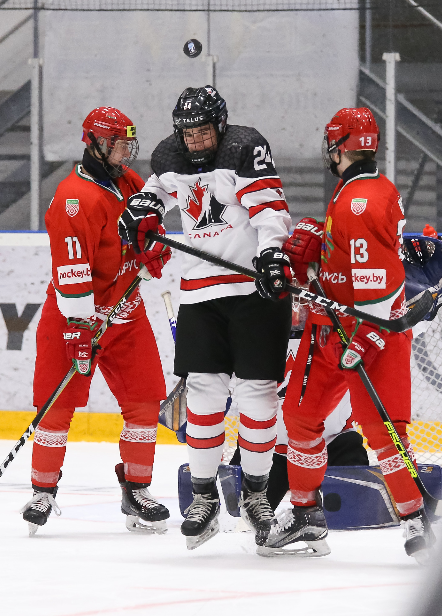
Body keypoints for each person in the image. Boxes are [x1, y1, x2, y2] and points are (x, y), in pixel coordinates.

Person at [118, 85, 292, 549]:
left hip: (253, 291)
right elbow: (153, 194)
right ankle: (204, 497)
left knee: (257, 395)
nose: (195, 140)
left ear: (220, 124)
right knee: (203, 393)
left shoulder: (243, 149)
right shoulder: (170, 156)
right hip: (199, 295)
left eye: (203, 131)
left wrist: (273, 254)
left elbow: (271, 209)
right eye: (188, 133)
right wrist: (142, 211)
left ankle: (256, 494)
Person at [261, 107, 436, 563]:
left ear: (340, 147)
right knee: (301, 415)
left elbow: (378, 283)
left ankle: (415, 515)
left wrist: (365, 341)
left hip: (367, 333)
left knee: (381, 431)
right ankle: (305, 513)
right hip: (335, 327)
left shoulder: (359, 201)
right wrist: (322, 247)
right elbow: (358, 263)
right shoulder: (364, 191)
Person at [21, 107, 171, 536]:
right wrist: (78, 326)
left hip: (126, 316)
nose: (127, 150)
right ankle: (43, 492)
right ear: (95, 143)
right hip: (74, 319)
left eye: (129, 143)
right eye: (119, 143)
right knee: (56, 407)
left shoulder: (129, 181)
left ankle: (137, 489)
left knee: (144, 402)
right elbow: (72, 272)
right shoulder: (74, 199)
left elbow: (149, 228)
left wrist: (152, 250)